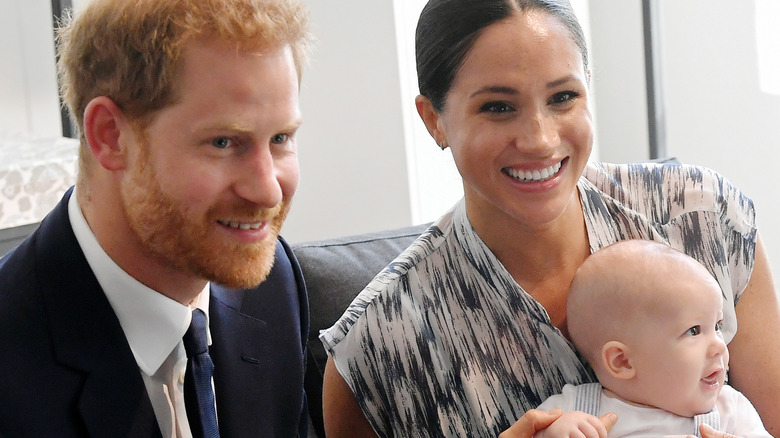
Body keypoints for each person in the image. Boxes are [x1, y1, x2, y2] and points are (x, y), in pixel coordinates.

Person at [319, 0, 780, 437]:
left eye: (563, 97)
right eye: (498, 107)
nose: (540, 139)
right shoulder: (378, 347)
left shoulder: (703, 218)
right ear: (433, 120)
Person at [0, 0, 312, 436]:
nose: (268, 190)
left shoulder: (273, 285)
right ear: (110, 136)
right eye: (223, 142)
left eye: (280, 138)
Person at [535, 240, 771, 437]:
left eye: (717, 326)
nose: (719, 345)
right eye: (694, 330)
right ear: (622, 361)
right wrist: (551, 434)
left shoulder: (730, 411)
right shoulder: (573, 411)